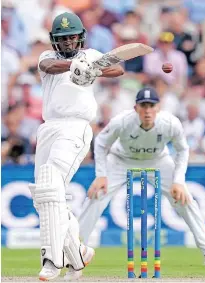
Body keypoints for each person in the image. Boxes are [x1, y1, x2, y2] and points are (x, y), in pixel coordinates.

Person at [78, 86, 205, 278]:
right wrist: (101, 174)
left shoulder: (170, 123)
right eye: (143, 106)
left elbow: (183, 150)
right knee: (96, 197)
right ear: (136, 108)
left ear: (158, 107)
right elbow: (101, 142)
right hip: (121, 160)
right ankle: (75, 253)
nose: (147, 111)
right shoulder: (123, 121)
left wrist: (178, 181)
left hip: (158, 160)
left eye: (151, 106)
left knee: (185, 199)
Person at [29, 12, 124, 281]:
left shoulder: (91, 54)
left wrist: (93, 68)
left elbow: (118, 68)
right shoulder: (46, 57)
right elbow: (49, 66)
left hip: (75, 128)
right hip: (48, 129)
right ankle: (78, 253)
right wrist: (74, 66)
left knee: (50, 184)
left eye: (72, 37)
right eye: (63, 38)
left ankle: (52, 260)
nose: (69, 41)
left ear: (80, 37)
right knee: (45, 198)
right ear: (54, 40)